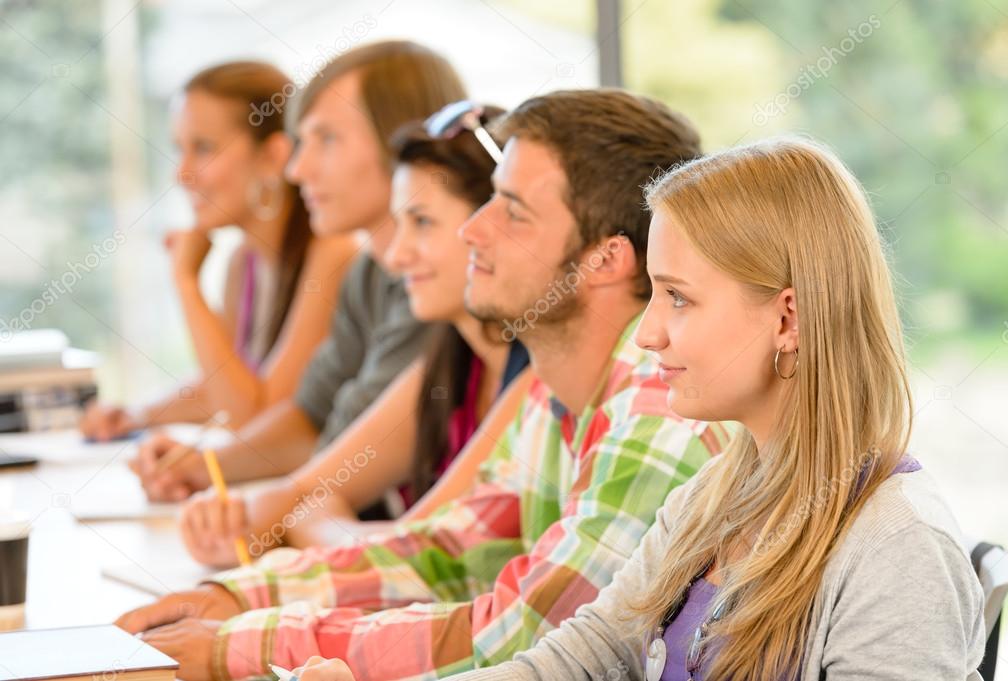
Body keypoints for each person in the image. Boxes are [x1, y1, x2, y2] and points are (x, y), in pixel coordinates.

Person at [113, 89, 730, 681]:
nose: (473, 230)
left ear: (606, 260)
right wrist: (232, 597)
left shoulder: (657, 410)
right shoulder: (553, 396)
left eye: (511, 211)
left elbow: (524, 637)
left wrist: (242, 645)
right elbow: (447, 554)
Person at [421, 137, 982, 681]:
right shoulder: (714, 494)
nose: (646, 334)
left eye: (678, 297)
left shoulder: (899, 546)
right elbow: (586, 657)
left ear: (788, 319)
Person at [177, 104, 534, 567]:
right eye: (399, 223)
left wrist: (316, 524)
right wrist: (228, 518)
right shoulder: (447, 358)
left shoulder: (535, 378)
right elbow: (305, 491)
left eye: (422, 223)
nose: (397, 254)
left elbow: (421, 553)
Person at [128, 41, 468, 505]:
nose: (299, 167)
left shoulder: (434, 284)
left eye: (326, 139)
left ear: (403, 143)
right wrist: (202, 468)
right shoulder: (369, 274)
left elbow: (323, 447)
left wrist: (186, 284)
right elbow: (309, 419)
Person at [79, 61, 358, 440]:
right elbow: (226, 387)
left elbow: (255, 416)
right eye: (180, 149)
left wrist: (186, 283)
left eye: (204, 148)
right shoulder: (244, 262)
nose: (181, 174)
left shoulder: (332, 255)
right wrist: (136, 415)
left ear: (273, 156)